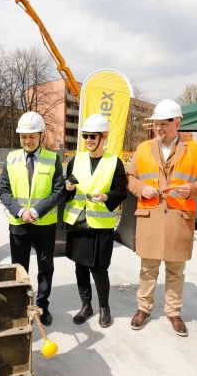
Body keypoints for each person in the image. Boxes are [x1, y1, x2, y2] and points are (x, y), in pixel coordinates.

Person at [127, 99, 197, 337]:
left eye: (163, 124)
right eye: (156, 123)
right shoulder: (143, 148)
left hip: (179, 217)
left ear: (177, 123)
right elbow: (129, 177)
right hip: (150, 217)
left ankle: (173, 312)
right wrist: (140, 189)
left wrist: (193, 189)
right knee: (148, 269)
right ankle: (143, 308)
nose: (158, 128)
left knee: (176, 270)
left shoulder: (195, 149)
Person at [0, 111, 64, 326]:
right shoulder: (11, 158)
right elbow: (4, 191)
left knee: (45, 268)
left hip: (44, 224)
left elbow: (59, 191)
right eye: (24, 136)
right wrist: (20, 211)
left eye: (32, 136)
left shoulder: (52, 159)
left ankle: (42, 306)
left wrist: (35, 211)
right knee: (19, 268)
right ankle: (20, 305)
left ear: (41, 136)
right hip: (19, 224)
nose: (27, 140)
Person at [64, 113, 127, 328]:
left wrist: (107, 197)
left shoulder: (114, 162)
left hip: (101, 224)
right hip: (79, 221)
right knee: (80, 266)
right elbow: (67, 192)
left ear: (104, 137)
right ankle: (86, 305)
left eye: (93, 136)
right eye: (86, 136)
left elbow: (121, 192)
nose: (89, 140)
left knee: (99, 268)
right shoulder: (76, 160)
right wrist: (68, 189)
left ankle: (103, 307)